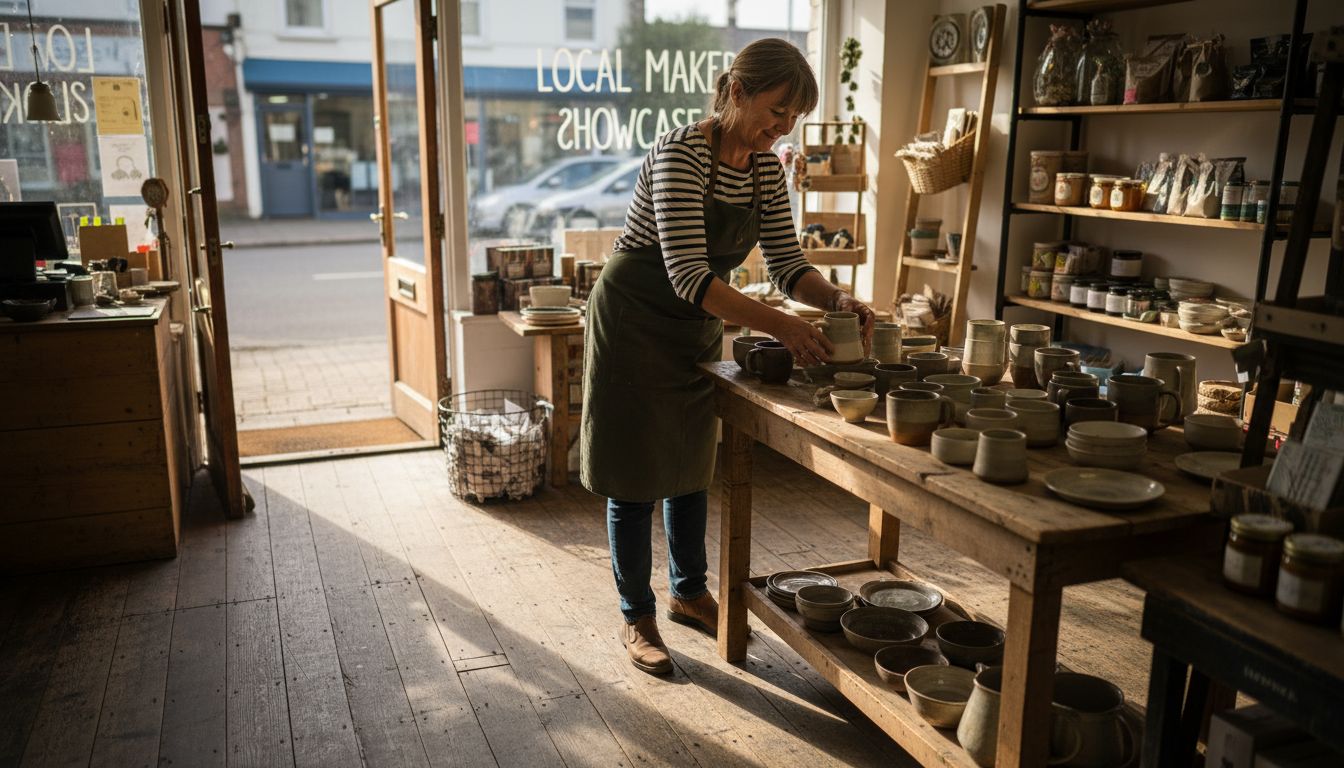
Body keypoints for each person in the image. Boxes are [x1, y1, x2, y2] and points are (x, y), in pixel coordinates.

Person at [580, 38, 876, 675]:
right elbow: (688, 272)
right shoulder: (680, 153)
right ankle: (637, 615)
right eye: (777, 109)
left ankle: (689, 594)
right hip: (635, 317)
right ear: (737, 92)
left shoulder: (767, 169)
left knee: (690, 465)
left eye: (795, 116)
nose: (783, 126)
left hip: (697, 322)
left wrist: (837, 301)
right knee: (634, 479)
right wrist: (786, 330)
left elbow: (787, 264)